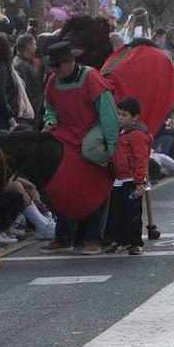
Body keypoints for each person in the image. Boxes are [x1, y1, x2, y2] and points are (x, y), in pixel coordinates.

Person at [37, 41, 118, 255]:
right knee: (59, 185)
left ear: (71, 61)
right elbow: (49, 107)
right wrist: (51, 119)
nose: (55, 71)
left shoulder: (91, 77)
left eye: (58, 66)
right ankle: (63, 237)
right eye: (53, 66)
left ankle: (94, 238)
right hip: (65, 135)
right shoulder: (53, 82)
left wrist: (111, 146)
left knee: (96, 185)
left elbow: (108, 113)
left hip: (90, 134)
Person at [107, 97, 150, 255]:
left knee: (133, 213)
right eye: (119, 114)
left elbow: (141, 159)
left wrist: (140, 182)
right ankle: (122, 241)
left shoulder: (137, 135)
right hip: (120, 180)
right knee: (117, 212)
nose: (120, 118)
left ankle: (136, 243)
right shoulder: (122, 132)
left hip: (133, 181)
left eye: (124, 115)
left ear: (135, 116)